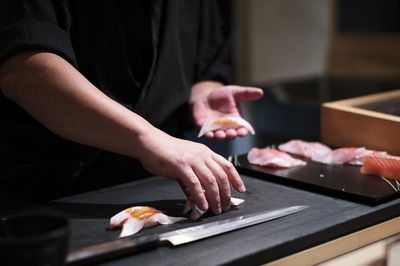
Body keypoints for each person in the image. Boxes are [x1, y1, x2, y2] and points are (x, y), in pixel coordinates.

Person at [0, 0, 263, 215]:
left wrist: (204, 92)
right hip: (46, 192)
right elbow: (27, 72)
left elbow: (205, 58)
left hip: (155, 185)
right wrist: (149, 139)